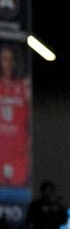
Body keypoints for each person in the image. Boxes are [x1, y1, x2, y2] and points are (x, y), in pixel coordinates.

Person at [0, 42, 30, 187]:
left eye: (12, 59)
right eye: (5, 59)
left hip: (18, 153)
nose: (9, 64)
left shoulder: (23, 87)